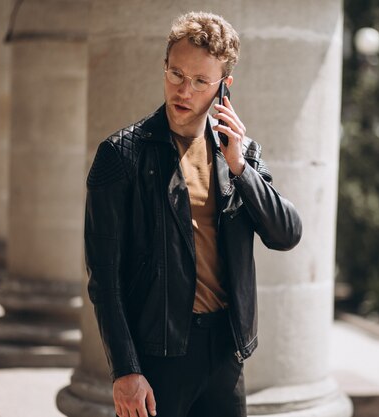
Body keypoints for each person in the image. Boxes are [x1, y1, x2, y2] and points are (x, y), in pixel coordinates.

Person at [84, 11, 302, 417]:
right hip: (157, 355)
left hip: (225, 352)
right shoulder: (120, 156)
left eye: (201, 81)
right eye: (176, 74)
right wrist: (125, 370)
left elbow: (286, 234)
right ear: (164, 68)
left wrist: (240, 168)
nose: (184, 90)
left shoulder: (242, 155)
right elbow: (104, 278)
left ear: (224, 87)